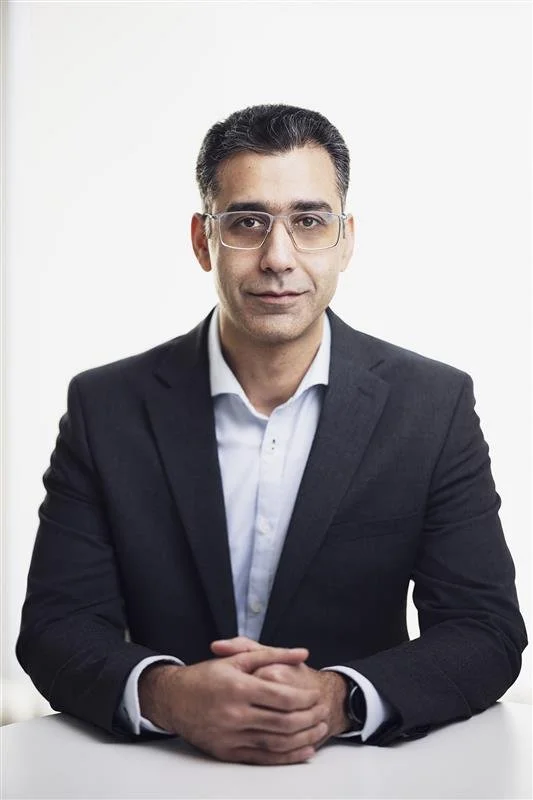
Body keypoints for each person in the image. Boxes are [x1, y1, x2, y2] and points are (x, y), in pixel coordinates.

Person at [17, 104, 527, 766]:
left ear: (345, 240)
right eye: (247, 223)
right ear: (203, 240)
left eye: (309, 222)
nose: (277, 257)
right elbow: (56, 627)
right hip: (157, 771)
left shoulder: (430, 405)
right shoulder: (107, 406)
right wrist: (169, 694)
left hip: (361, 773)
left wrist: (339, 697)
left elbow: (483, 629)